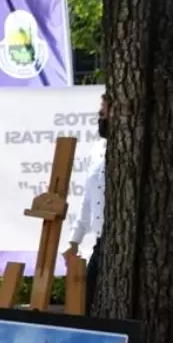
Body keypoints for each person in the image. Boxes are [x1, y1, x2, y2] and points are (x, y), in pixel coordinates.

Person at [67, 95, 107, 311]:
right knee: (87, 299)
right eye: (100, 114)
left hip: (123, 240)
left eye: (105, 114)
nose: (101, 119)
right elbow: (88, 200)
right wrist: (75, 241)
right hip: (102, 242)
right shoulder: (97, 150)